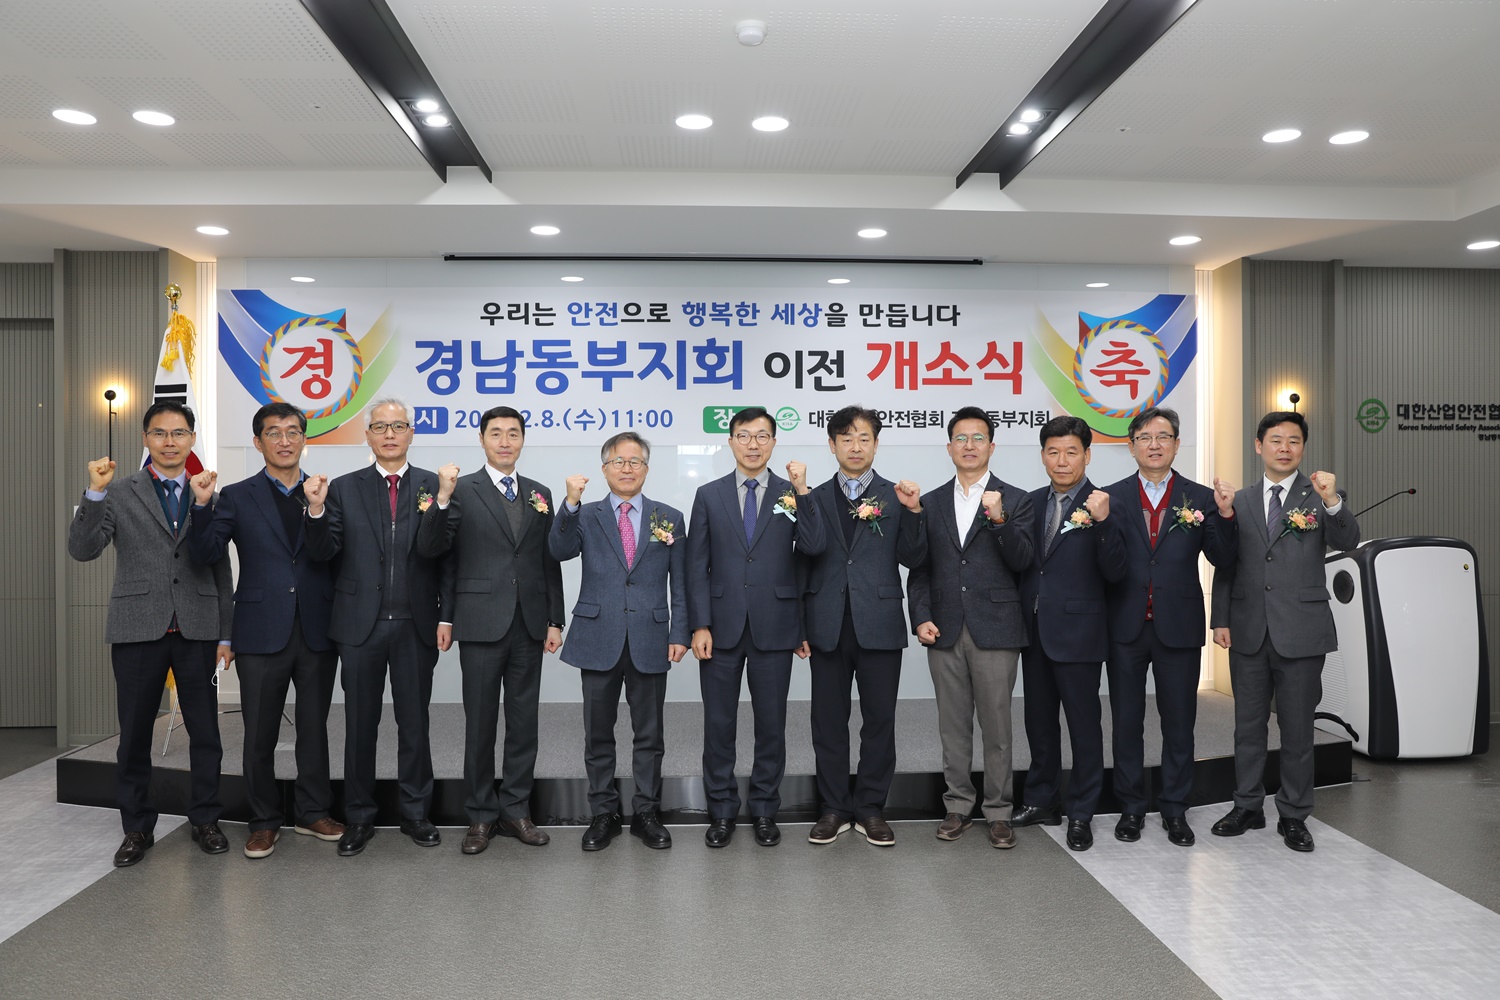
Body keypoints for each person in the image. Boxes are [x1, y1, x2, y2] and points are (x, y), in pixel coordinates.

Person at [67, 401, 233, 867]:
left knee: (206, 734)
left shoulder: (208, 492)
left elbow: (221, 570)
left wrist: (226, 634)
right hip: (138, 627)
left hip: (198, 628)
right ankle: (137, 828)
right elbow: (82, 550)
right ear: (145, 439)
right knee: (135, 735)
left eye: (179, 433)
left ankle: (206, 819)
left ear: (192, 439)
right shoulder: (118, 492)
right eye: (159, 433)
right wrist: (94, 493)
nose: (169, 442)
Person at [187, 402, 343, 859]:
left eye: (293, 431)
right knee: (259, 733)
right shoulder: (236, 495)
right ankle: (264, 820)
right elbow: (205, 553)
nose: (284, 440)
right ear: (258, 442)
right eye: (274, 433)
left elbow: (328, 553)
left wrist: (316, 509)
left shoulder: (324, 491)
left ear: (304, 440)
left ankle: (312, 812)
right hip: (258, 629)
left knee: (313, 728)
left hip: (316, 628)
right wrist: (201, 506)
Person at [416, 405, 564, 855]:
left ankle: (516, 810)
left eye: (513, 433)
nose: (504, 441)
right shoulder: (459, 489)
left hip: (529, 623)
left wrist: (554, 619)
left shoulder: (539, 493)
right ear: (481, 440)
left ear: (523, 440)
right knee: (480, 724)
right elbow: (435, 551)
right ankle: (480, 815)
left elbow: (548, 561)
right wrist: (446, 616)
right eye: (495, 433)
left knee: (524, 724)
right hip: (480, 621)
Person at [1210, 411, 1360, 852]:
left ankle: (1294, 814)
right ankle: (1247, 806)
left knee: (1297, 729)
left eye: (1293, 441)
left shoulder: (1320, 497)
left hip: (1302, 630)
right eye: (1275, 440)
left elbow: (1348, 540)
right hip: (1248, 629)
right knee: (1247, 727)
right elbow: (1227, 564)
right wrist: (1221, 618)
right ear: (1259, 446)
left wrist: (1333, 502)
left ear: (1302, 448)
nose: (1284, 448)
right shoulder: (1239, 500)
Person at [303, 398, 446, 857]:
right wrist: (316, 511)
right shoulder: (343, 488)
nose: (389, 434)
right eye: (380, 427)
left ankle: (416, 813)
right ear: (367, 435)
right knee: (360, 725)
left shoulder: (435, 486)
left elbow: (447, 557)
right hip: (358, 626)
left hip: (415, 624)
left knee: (415, 724)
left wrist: (445, 615)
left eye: (398, 426)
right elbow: (323, 552)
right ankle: (359, 816)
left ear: (411, 433)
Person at [686, 406, 823, 848]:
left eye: (762, 436)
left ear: (774, 443)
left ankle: (765, 810)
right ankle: (722, 812)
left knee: (772, 726)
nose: (753, 444)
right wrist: (699, 624)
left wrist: (803, 491)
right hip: (720, 627)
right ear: (730, 441)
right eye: (744, 435)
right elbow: (696, 566)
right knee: (718, 725)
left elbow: (813, 548)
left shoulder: (791, 492)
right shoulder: (708, 495)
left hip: (776, 625)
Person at [1102, 406, 1237, 848]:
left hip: (1178, 624)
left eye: (1163, 436)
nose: (1154, 444)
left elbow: (1222, 557)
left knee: (1180, 723)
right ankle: (1131, 807)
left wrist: (1226, 516)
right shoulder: (1110, 498)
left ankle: (1175, 808)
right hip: (1125, 626)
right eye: (1144, 437)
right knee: (1126, 722)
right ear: (1131, 447)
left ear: (1177, 444)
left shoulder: (1200, 498)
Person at [549, 432, 688, 851]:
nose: (627, 469)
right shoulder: (586, 514)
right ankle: (603, 813)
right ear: (604, 468)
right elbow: (558, 550)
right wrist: (569, 503)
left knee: (650, 734)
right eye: (618, 462)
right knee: (598, 734)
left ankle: (647, 812)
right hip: (598, 635)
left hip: (650, 636)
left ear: (646, 468)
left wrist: (680, 632)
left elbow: (680, 583)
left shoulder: (669, 517)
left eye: (635, 462)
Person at [797, 405, 927, 847]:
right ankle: (833, 808)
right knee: (827, 722)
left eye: (864, 438)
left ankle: (871, 807)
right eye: (847, 438)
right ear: (832, 445)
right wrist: (800, 625)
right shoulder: (812, 498)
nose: (856, 446)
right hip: (826, 624)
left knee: (879, 721)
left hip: (880, 622)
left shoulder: (898, 496)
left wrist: (914, 512)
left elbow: (914, 558)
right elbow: (802, 563)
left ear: (876, 444)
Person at [907, 406, 1034, 849]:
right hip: (943, 627)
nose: (969, 446)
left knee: (997, 726)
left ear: (992, 446)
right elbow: (920, 569)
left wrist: (999, 519)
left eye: (978, 438)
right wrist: (920, 615)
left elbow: (1023, 560)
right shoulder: (931, 502)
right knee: (953, 725)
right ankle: (958, 806)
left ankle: (998, 811)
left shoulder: (1017, 499)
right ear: (949, 447)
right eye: (961, 438)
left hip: (996, 627)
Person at [1014, 415, 1127, 852]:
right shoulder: (1030, 502)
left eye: (1071, 452)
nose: (1062, 461)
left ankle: (1082, 811)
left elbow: (1116, 571)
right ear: (1043, 456)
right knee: (1039, 724)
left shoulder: (1105, 503)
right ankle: (1042, 800)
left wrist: (1102, 523)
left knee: (1083, 727)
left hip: (1080, 633)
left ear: (1087, 455)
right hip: (1035, 632)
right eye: (1053, 452)